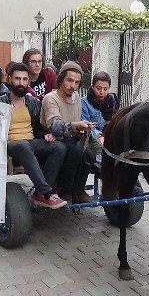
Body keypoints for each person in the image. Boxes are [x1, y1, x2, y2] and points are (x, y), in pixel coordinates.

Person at [0, 62, 67, 208]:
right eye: (17, 79)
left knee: (59, 147)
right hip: (9, 144)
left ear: (28, 81)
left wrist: (47, 134)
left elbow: (39, 128)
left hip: (30, 142)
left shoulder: (33, 102)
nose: (21, 83)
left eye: (24, 79)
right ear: (10, 80)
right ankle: (46, 193)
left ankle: (40, 193)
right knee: (23, 145)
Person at [40, 61, 95, 204]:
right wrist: (77, 125)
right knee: (75, 151)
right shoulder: (51, 99)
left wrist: (84, 126)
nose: (73, 85)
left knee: (89, 153)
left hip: (71, 137)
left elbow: (75, 121)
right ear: (61, 79)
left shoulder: (76, 97)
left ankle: (79, 189)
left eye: (77, 82)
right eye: (70, 80)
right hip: (52, 139)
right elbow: (55, 126)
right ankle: (65, 189)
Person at [80, 71, 120, 171]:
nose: (102, 92)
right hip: (92, 138)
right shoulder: (84, 102)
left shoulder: (113, 101)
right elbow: (87, 125)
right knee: (101, 148)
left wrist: (105, 135)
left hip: (109, 137)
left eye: (105, 89)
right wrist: (100, 136)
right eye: (98, 88)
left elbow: (115, 122)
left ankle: (134, 185)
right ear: (92, 86)